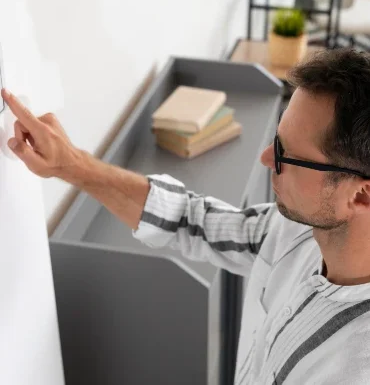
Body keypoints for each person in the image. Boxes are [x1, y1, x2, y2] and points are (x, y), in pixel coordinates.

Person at [3, 47, 370, 384]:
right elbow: (192, 220)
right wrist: (71, 165)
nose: (264, 159)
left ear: (361, 194)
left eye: (284, 155)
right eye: (276, 140)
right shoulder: (296, 231)